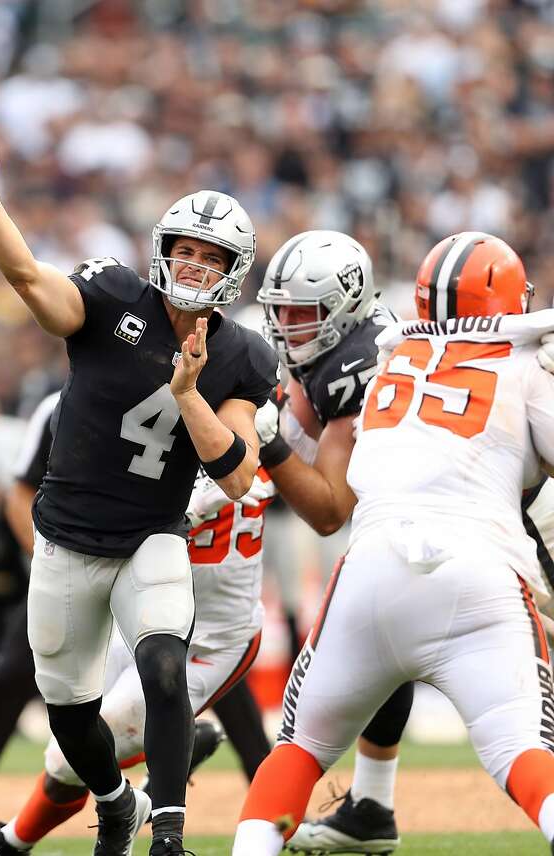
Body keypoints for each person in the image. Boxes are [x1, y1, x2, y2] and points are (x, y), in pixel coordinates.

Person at [0, 134, 278, 855]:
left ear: (232, 273)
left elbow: (237, 474)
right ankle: (115, 801)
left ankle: (169, 835)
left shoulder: (244, 355)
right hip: (66, 538)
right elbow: (33, 283)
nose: (194, 265)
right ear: (164, 249)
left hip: (152, 536)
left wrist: (189, 394)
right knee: (70, 715)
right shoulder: (112, 295)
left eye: (211, 257)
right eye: (186, 250)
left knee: (164, 668)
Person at [232, 232, 554, 855]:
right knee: (525, 757)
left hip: (372, 568)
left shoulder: (390, 358)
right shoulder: (524, 364)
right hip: (481, 566)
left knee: (297, 752)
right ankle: (372, 806)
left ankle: (288, 837)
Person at [0, 429, 276, 855]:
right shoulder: (155, 412)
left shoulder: (247, 417)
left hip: (211, 637)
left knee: (72, 760)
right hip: (139, 608)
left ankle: (12, 842)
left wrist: (274, 445)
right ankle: (166, 756)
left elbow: (260, 483)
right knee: (72, 742)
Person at [252, 231, 409, 854]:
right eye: (281, 311)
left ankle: (366, 808)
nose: (288, 326)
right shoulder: (338, 348)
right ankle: (371, 808)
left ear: (345, 304)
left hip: (518, 521)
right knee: (387, 640)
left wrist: (264, 443)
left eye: (303, 313)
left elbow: (328, 509)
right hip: (416, 526)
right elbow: (300, 426)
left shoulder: (355, 363)